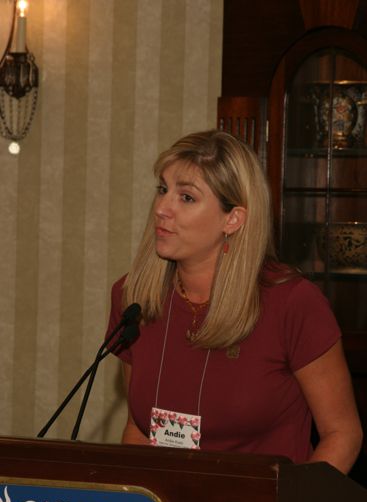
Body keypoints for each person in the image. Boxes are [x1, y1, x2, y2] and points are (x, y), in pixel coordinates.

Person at [106, 129, 362, 474]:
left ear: (233, 219)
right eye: (163, 189)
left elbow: (342, 434)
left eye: (186, 198)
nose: (162, 209)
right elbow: (139, 428)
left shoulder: (292, 304)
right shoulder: (134, 299)